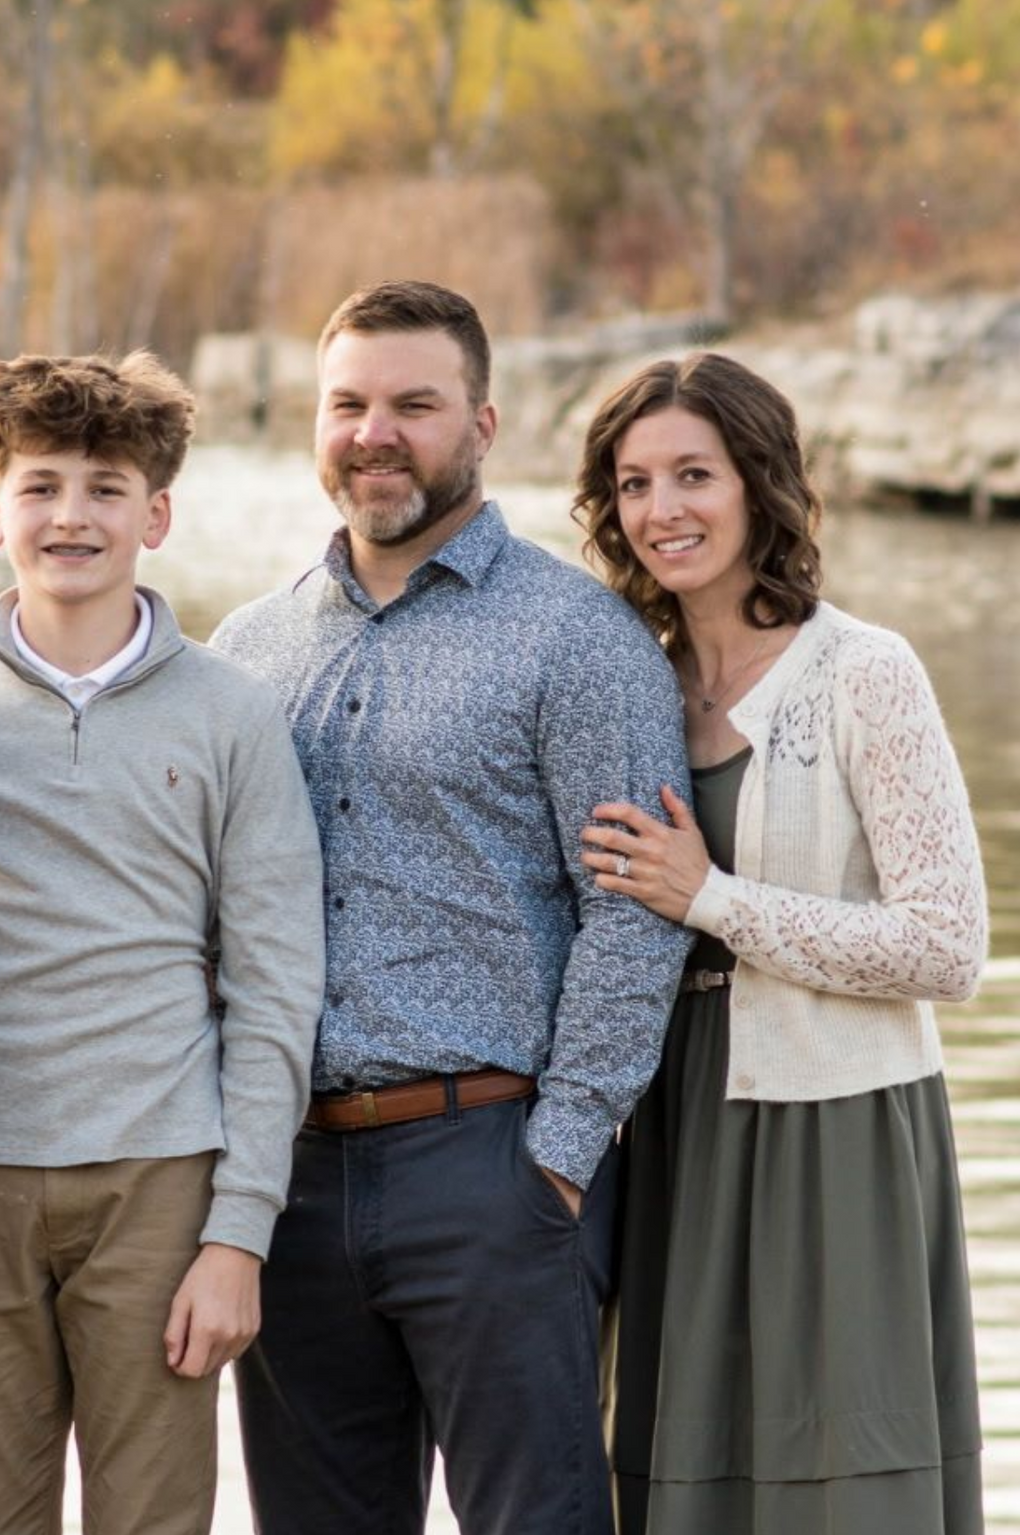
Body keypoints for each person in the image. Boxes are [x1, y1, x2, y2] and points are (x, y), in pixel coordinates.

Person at [210, 279, 693, 1535]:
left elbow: (636, 909)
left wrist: (562, 1158)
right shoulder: (247, 650)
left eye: (414, 405)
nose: (376, 433)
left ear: (482, 422)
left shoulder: (579, 639)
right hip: (293, 1176)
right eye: (349, 403)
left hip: (494, 1166)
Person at [0, 350, 325, 1535]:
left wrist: (239, 1230)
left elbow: (277, 986)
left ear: (158, 514)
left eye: (103, 486)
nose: (71, 515)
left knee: (153, 1517)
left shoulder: (234, 714)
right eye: (39, 486)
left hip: (161, 1178)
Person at [573, 351, 988, 1535]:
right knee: (672, 1475)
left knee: (840, 1482)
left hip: (834, 1130)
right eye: (636, 481)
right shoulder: (630, 682)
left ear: (759, 482)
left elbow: (948, 946)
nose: (664, 510)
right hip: (669, 1127)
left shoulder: (866, 672)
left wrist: (714, 898)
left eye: (694, 473)